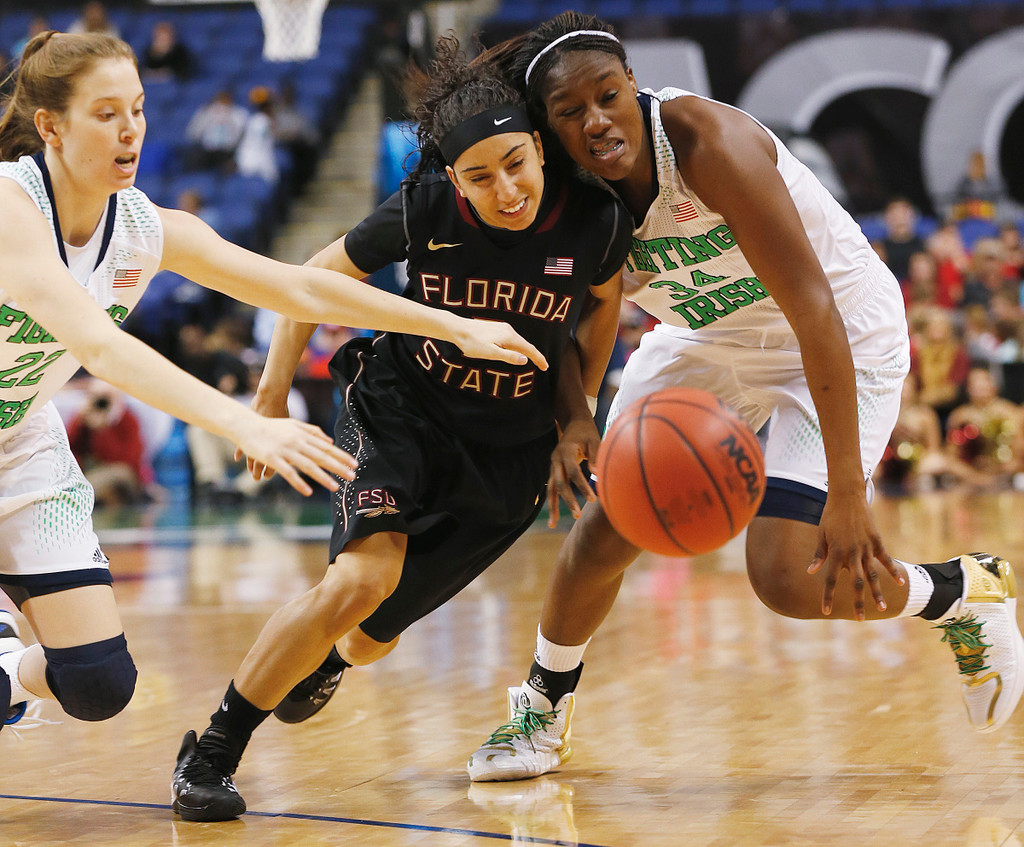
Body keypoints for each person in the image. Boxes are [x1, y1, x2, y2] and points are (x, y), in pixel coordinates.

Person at [461, 12, 1024, 783]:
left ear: (634, 85)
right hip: (706, 335)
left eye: (610, 95)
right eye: (570, 112)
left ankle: (964, 591)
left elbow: (813, 308)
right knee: (605, 527)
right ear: (548, 126)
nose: (597, 122)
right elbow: (563, 322)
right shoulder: (556, 192)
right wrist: (576, 419)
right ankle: (541, 711)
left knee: (787, 576)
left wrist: (850, 493)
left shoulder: (705, 143)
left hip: (837, 333)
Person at [0, 31, 544, 740]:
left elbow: (296, 285)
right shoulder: (12, 207)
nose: (130, 128)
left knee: (99, 685)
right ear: (50, 127)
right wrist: (245, 423)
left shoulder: (142, 228)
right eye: (105, 113)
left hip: (20, 439)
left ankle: (8, 667)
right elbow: (100, 347)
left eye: (136, 108)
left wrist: (452, 326)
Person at [169, 35, 631, 821]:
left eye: (516, 163)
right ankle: (211, 750)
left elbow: (601, 313)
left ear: (541, 151)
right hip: (402, 411)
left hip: (509, 457)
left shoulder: (594, 219)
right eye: (480, 176)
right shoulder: (423, 209)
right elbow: (307, 281)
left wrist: (575, 419)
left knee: (366, 637)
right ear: (453, 177)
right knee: (360, 579)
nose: (506, 188)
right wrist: (271, 399)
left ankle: (333, 654)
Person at [67, 378, 157, 506]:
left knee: (116, 475)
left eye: (105, 397)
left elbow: (126, 463)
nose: (101, 402)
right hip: (92, 472)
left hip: (123, 478)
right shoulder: (84, 418)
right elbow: (67, 449)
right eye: (95, 397)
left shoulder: (128, 419)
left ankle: (79, 495)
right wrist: (80, 420)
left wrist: (102, 429)